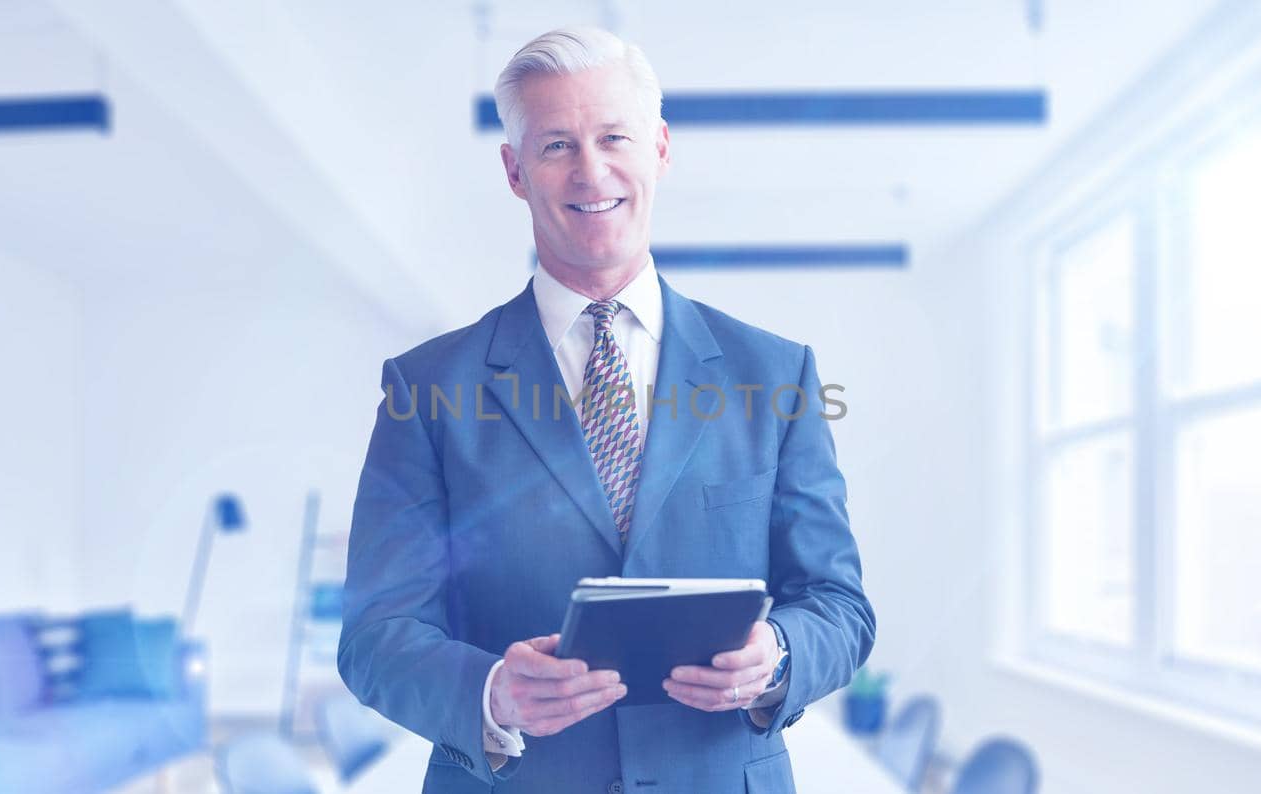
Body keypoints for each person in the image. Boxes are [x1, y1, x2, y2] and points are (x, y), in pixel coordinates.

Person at [337, 25, 874, 794]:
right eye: (556, 145)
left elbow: (839, 605)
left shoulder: (777, 375)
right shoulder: (428, 389)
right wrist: (491, 694)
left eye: (613, 136)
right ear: (515, 170)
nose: (591, 171)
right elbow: (375, 636)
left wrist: (778, 656)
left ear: (658, 147)